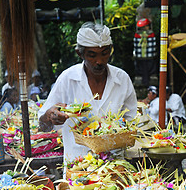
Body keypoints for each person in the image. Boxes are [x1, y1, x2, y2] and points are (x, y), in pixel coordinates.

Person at [38, 22, 137, 162]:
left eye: (104, 54)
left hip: (115, 165)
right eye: (92, 55)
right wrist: (50, 116)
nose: (99, 61)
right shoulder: (67, 79)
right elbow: (43, 125)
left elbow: (132, 121)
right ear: (80, 53)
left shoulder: (122, 79)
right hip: (78, 166)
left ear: (110, 50)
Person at [133, 18, 157, 86]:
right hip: (145, 55)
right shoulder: (150, 34)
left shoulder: (140, 35)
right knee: (145, 66)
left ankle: (146, 81)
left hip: (145, 55)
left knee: (146, 67)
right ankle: (145, 81)